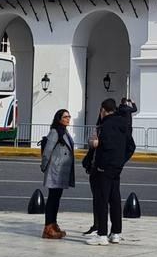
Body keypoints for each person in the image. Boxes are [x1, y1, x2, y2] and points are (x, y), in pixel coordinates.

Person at [85, 98, 135, 246]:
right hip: (116, 168)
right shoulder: (123, 124)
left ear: (103, 110)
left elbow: (104, 147)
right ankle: (115, 233)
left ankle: (101, 235)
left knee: (102, 200)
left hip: (104, 169)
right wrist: (121, 161)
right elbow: (131, 146)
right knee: (115, 200)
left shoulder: (105, 126)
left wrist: (101, 165)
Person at [40, 109, 75, 239]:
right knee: (52, 198)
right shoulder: (55, 132)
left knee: (56, 198)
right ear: (59, 118)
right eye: (65, 117)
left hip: (61, 171)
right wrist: (44, 166)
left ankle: (53, 224)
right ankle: (48, 227)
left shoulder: (64, 132)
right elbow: (47, 151)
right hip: (55, 170)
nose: (68, 119)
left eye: (69, 116)